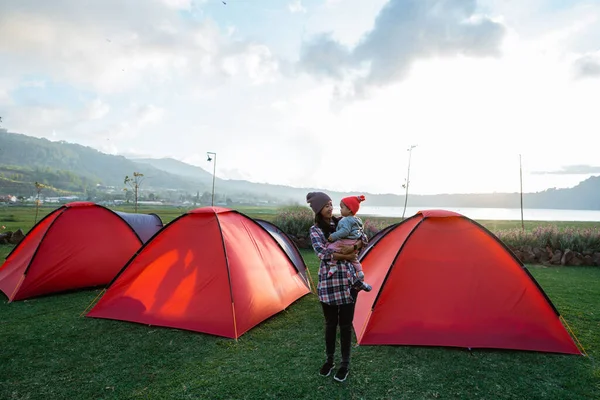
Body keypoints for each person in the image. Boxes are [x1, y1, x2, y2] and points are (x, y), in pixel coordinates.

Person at [306, 191, 368, 383]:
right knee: (330, 324)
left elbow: (363, 237)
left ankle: (345, 364)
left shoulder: (343, 221)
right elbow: (322, 253)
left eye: (332, 204)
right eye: (326, 205)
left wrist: (354, 247)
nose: (331, 208)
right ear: (318, 209)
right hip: (328, 283)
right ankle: (330, 360)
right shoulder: (315, 230)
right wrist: (347, 257)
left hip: (348, 281)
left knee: (346, 325)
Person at [326, 195, 372, 292]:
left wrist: (333, 236)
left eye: (342, 207)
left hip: (345, 242)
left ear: (350, 210)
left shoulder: (345, 220)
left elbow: (344, 232)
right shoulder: (357, 220)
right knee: (354, 259)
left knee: (330, 247)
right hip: (353, 242)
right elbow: (362, 235)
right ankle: (360, 272)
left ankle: (333, 266)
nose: (340, 210)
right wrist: (355, 246)